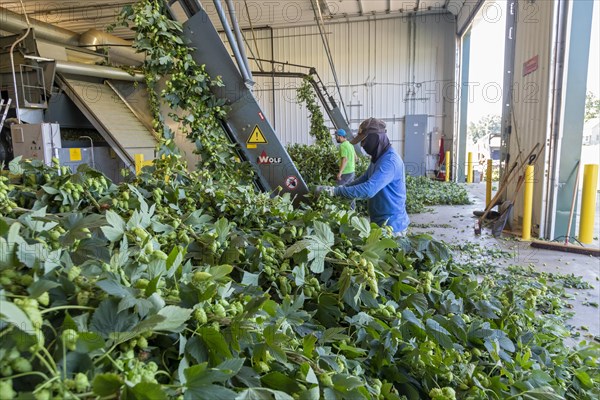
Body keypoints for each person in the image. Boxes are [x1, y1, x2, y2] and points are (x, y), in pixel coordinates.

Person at [315, 118, 410, 235]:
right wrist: (342, 188)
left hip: (392, 227)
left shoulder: (389, 161)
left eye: (364, 141)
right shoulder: (378, 157)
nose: (362, 145)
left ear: (375, 138)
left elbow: (369, 189)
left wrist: (335, 192)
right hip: (378, 222)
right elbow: (365, 178)